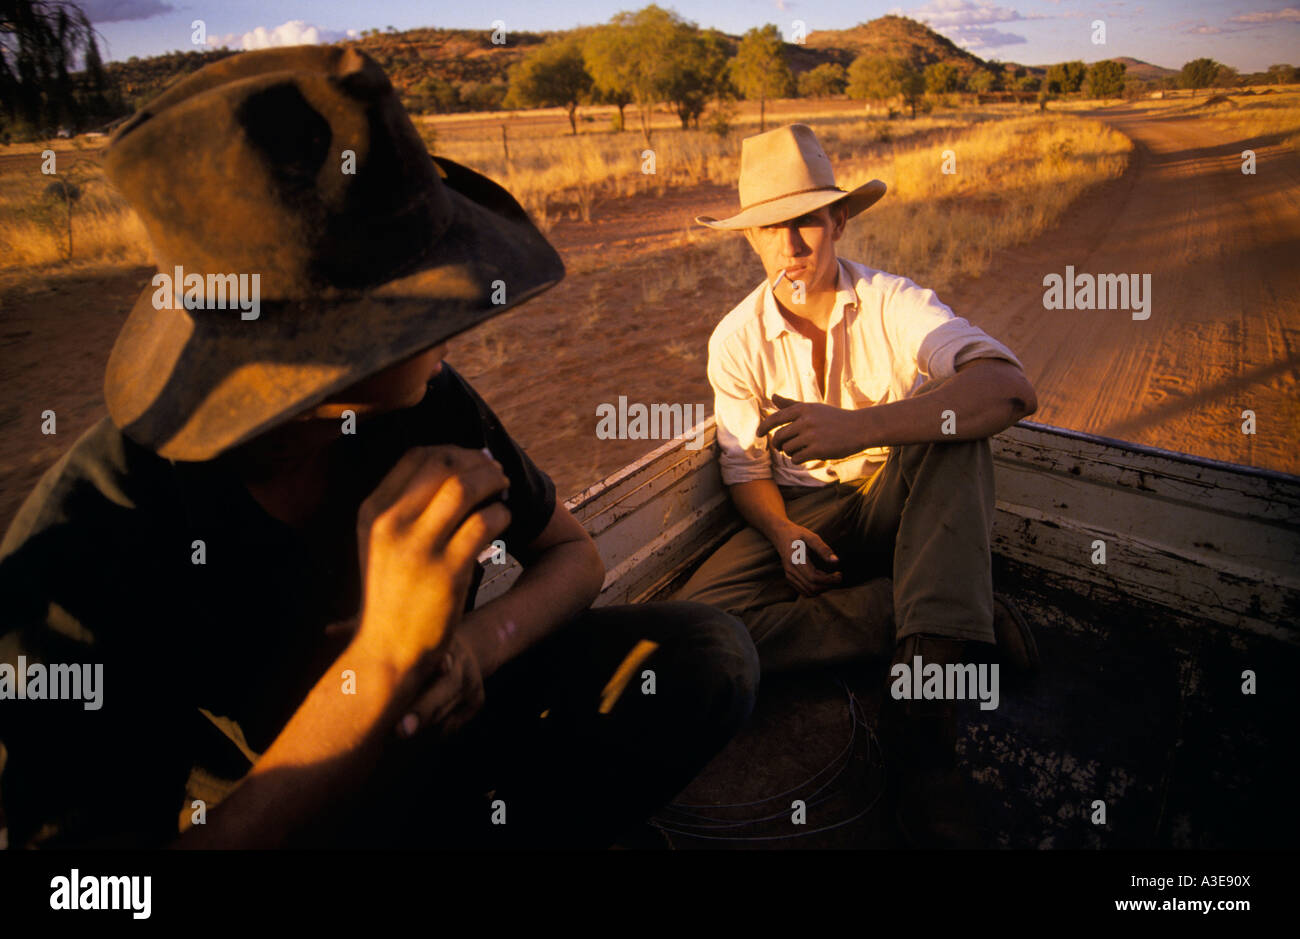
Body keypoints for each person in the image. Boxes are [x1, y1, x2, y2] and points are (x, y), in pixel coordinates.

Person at [0, 46, 759, 850]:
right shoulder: (88, 543)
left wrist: (474, 645)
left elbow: (572, 553)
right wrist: (382, 662)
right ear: (331, 345)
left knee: (706, 655)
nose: (464, 319)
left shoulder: (426, 399)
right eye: (427, 294)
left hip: (445, 747)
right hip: (287, 813)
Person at [677, 123, 1040, 847]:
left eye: (807, 220)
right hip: (810, 516)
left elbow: (1009, 390)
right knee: (702, 628)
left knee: (956, 433)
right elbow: (746, 467)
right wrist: (783, 534)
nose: (791, 246)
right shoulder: (735, 340)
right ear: (750, 239)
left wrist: (863, 427)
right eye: (770, 228)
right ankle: (941, 614)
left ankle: (925, 724)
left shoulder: (893, 302)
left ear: (838, 219)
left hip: (896, 501)